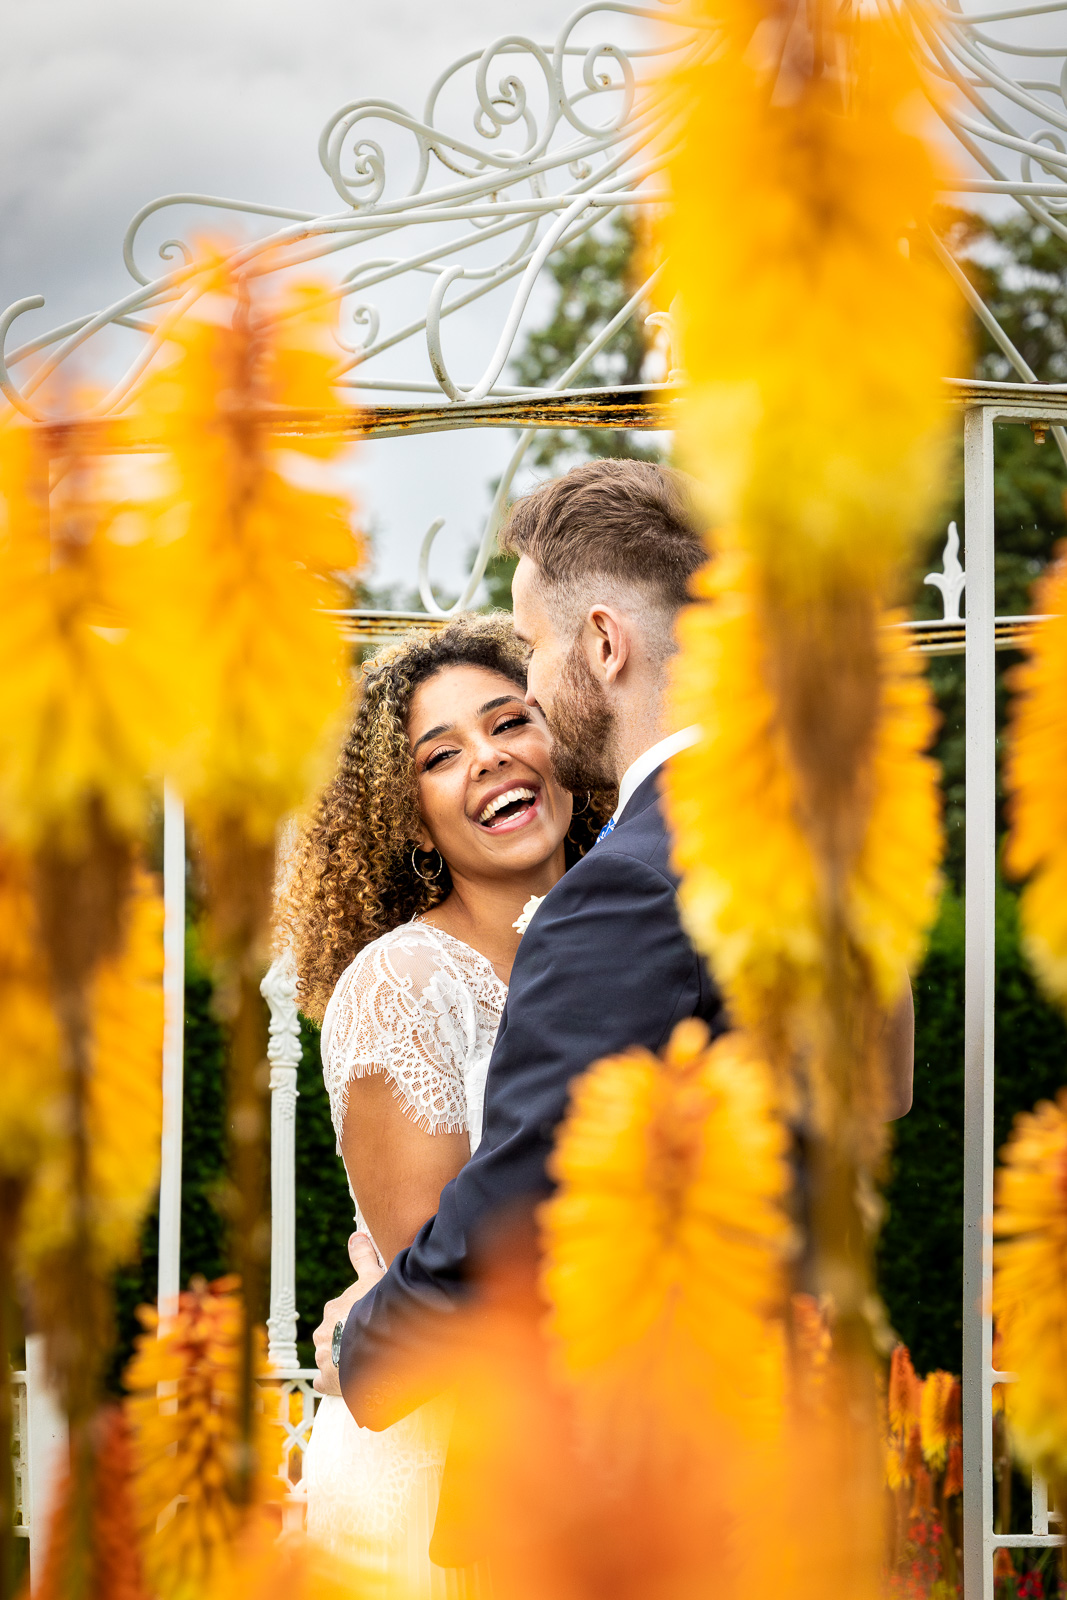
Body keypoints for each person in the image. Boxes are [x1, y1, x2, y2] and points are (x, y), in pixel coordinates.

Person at [327, 457, 916, 1433]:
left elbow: (514, 1222)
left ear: (601, 642)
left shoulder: (628, 884)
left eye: (530, 645)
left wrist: (364, 1347)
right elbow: (881, 1089)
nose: (528, 682)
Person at [282, 614, 608, 1584]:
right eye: (441, 754)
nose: (489, 759)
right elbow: (439, 1289)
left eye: (510, 722)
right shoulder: (403, 983)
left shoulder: (627, 945)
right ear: (407, 814)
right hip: (447, 1465)